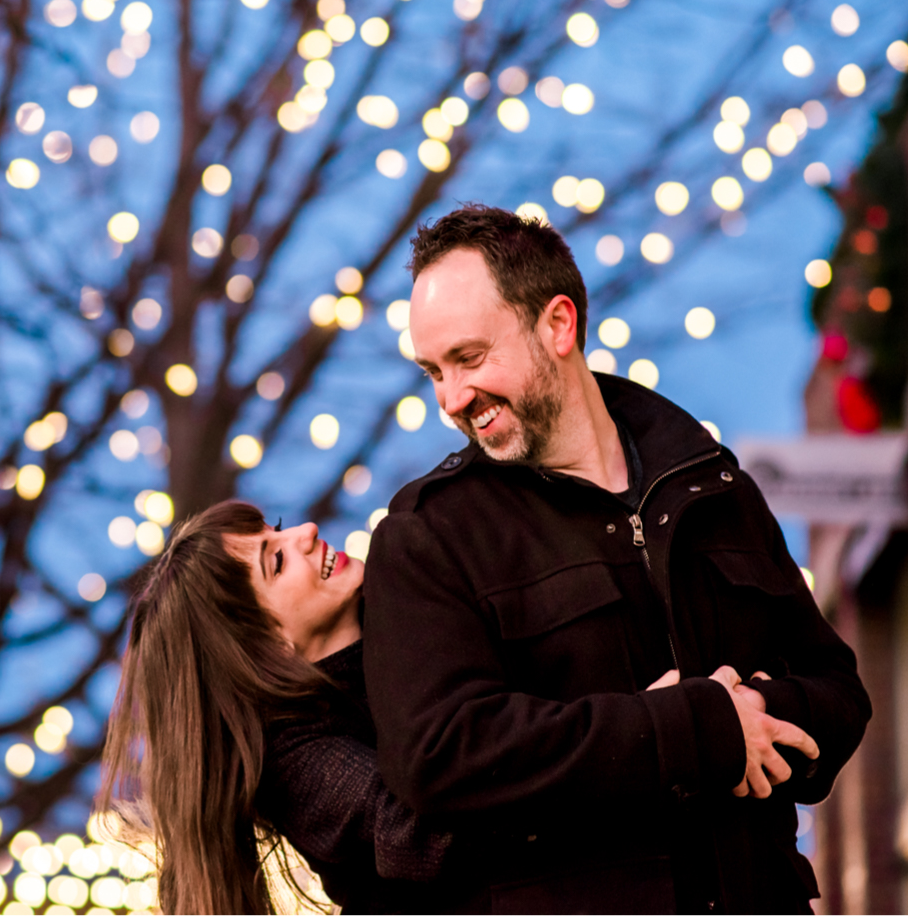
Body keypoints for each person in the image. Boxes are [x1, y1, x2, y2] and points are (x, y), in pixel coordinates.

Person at [363, 204, 872, 914]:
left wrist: (756, 713)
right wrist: (695, 733)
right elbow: (441, 757)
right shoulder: (430, 536)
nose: (452, 398)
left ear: (559, 324)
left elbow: (841, 692)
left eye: (470, 359)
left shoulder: (714, 488)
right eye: (434, 370)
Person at [99, 501, 451, 914]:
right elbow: (434, 832)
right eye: (278, 561)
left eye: (278, 528)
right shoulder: (292, 762)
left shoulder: (406, 609)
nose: (307, 530)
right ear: (269, 644)